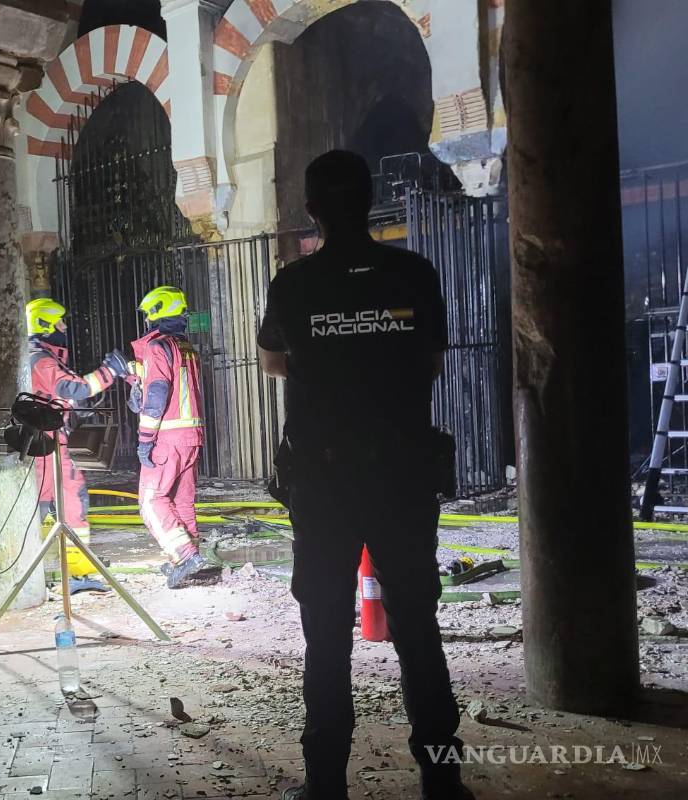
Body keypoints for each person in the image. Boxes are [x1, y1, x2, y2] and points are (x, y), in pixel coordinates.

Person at [256, 150, 470, 800]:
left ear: (312, 209)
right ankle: (442, 781)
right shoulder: (414, 274)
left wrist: (328, 365)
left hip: (323, 486)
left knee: (326, 637)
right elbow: (430, 364)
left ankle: (325, 785)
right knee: (418, 632)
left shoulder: (293, 284)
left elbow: (271, 362)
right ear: (372, 199)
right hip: (403, 478)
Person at [26, 298, 129, 581]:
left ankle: (64, 568)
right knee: (64, 498)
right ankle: (70, 569)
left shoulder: (41, 357)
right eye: (59, 322)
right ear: (45, 325)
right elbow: (72, 387)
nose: (64, 327)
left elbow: (64, 393)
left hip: (44, 441)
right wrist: (110, 371)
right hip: (47, 443)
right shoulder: (41, 360)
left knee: (48, 500)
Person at [125, 286, 215, 589]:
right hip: (192, 435)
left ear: (156, 312)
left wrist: (145, 439)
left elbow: (158, 393)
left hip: (167, 437)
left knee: (151, 501)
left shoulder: (156, 347)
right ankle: (192, 563)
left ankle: (185, 554)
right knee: (182, 500)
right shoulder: (185, 346)